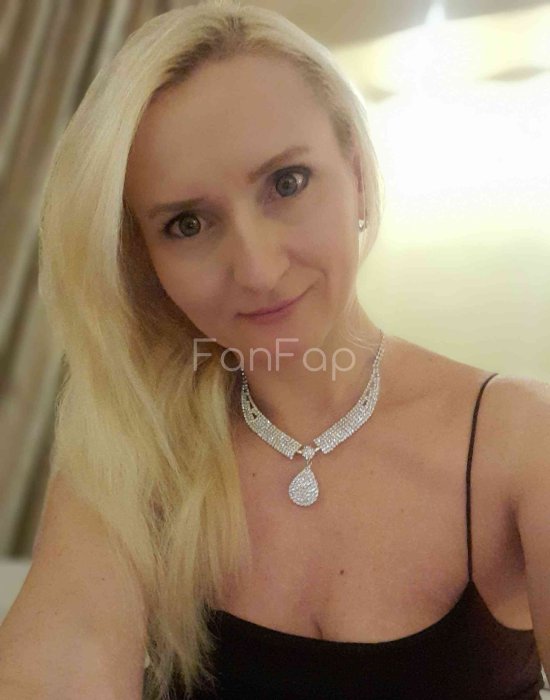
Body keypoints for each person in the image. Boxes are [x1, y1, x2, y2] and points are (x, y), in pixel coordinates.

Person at [0, 1, 548, 699]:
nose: (257, 269)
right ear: (146, 261)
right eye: (188, 223)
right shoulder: (134, 448)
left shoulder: (520, 438)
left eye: (287, 183)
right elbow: (58, 660)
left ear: (356, 174)